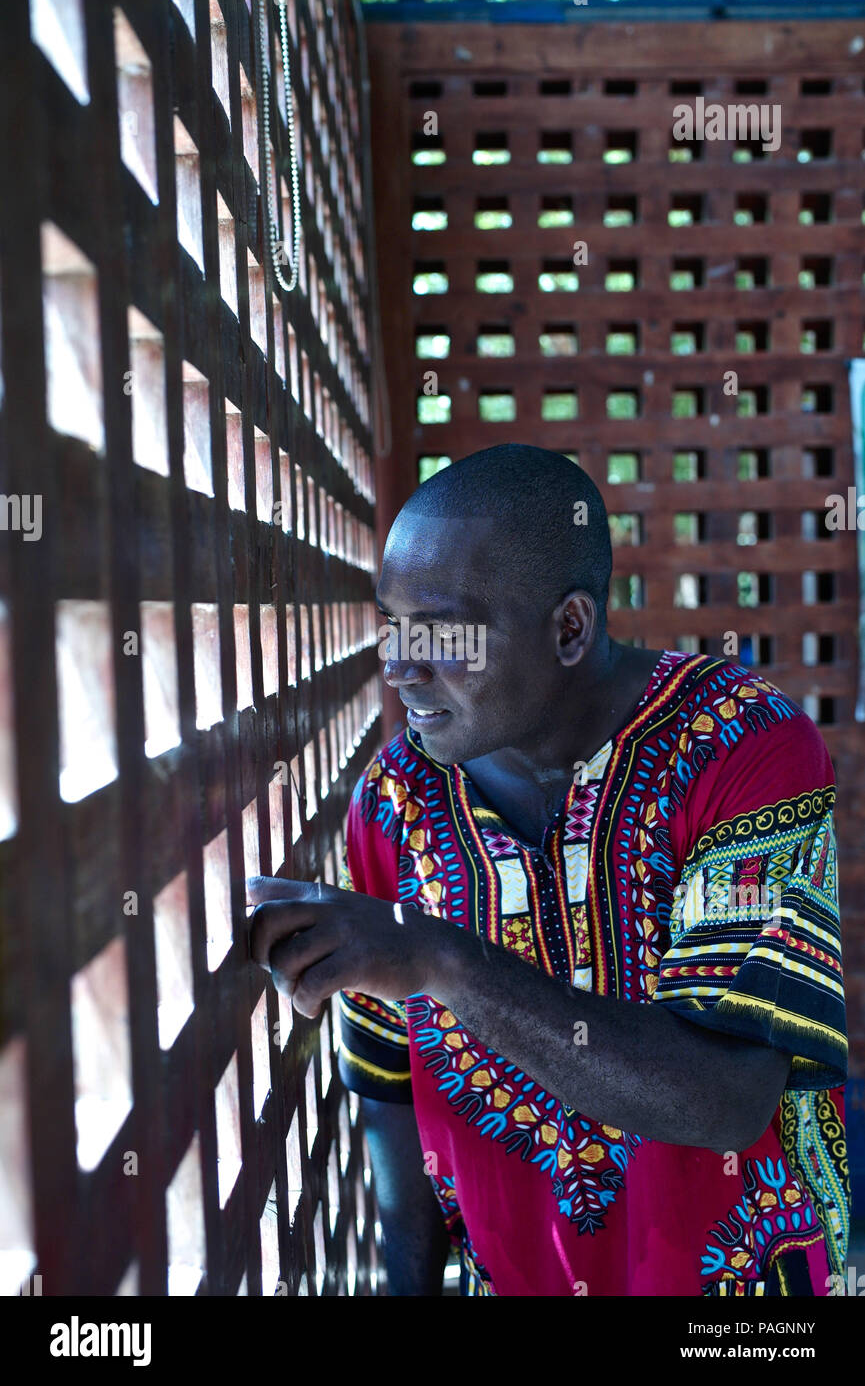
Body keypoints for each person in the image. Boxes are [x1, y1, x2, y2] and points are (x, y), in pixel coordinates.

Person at [248, 443, 849, 1297]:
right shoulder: (393, 801)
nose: (400, 664)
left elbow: (728, 1096)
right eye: (392, 624)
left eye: (444, 632)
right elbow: (384, 1091)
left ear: (568, 628)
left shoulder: (741, 746)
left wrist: (442, 958)